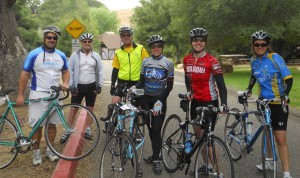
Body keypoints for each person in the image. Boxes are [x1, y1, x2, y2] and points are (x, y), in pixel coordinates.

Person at [16, 25, 70, 166]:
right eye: (49, 37)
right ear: (44, 38)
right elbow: (24, 75)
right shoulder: (34, 54)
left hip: (55, 94)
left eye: (54, 38)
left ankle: (50, 150)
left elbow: (66, 71)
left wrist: (65, 82)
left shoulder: (61, 55)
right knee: (37, 125)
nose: (52, 40)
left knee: (52, 125)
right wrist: (21, 95)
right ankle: (36, 152)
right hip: (38, 93)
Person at [247, 30, 293, 178]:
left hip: (278, 103)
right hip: (263, 102)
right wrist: (249, 89)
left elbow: (288, 78)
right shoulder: (253, 61)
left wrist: (285, 95)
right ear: (253, 46)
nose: (260, 47)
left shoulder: (275, 58)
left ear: (268, 45)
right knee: (266, 132)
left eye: (263, 44)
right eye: (257, 44)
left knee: (280, 138)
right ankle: (267, 161)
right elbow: (253, 76)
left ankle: (286, 173)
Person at [183, 27, 228, 171]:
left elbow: (221, 85)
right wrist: (189, 90)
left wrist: (224, 104)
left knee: (206, 139)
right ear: (191, 42)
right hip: (195, 102)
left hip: (209, 102)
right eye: (195, 40)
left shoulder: (212, 61)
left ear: (205, 43)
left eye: (201, 40)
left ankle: (218, 171)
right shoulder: (187, 60)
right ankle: (206, 165)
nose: (198, 43)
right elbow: (187, 78)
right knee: (198, 135)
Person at [136, 35, 174, 174]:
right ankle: (155, 154)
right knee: (151, 130)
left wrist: (160, 101)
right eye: (153, 46)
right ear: (150, 49)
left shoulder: (168, 63)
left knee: (157, 130)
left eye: (158, 46)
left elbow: (169, 86)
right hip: (146, 100)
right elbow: (141, 81)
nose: (156, 49)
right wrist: (135, 90)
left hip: (159, 100)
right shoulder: (145, 62)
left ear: (162, 47)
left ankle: (157, 160)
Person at [60, 32, 103, 143]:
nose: (87, 43)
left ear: (92, 43)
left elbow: (100, 71)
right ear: (81, 43)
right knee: (74, 108)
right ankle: (68, 129)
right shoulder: (75, 55)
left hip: (92, 84)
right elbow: (70, 70)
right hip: (78, 85)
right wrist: (71, 85)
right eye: (85, 41)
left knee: (90, 108)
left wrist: (99, 85)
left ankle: (87, 128)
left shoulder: (96, 56)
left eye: (89, 41)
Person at [100, 25, 149, 121]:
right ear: (121, 37)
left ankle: (136, 129)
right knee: (115, 102)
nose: (126, 37)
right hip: (122, 82)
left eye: (128, 34)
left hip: (137, 82)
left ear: (132, 36)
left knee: (136, 108)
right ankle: (109, 121)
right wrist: (113, 85)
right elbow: (115, 70)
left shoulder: (140, 49)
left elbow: (147, 65)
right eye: (123, 35)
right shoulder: (118, 52)